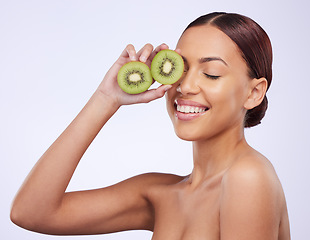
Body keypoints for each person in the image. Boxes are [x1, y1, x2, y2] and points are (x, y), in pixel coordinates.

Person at [10, 12, 290, 239]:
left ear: (254, 93)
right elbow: (31, 212)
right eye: (181, 68)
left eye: (211, 73)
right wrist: (105, 99)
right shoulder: (162, 193)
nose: (186, 86)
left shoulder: (248, 176)